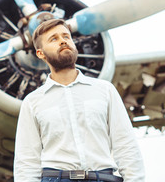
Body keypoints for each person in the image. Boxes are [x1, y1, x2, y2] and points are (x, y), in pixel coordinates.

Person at [14, 19, 145, 182]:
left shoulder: (105, 90)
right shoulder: (32, 102)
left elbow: (126, 146)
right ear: (40, 53)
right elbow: (26, 162)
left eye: (66, 36)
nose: (63, 41)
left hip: (103, 177)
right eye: (53, 39)